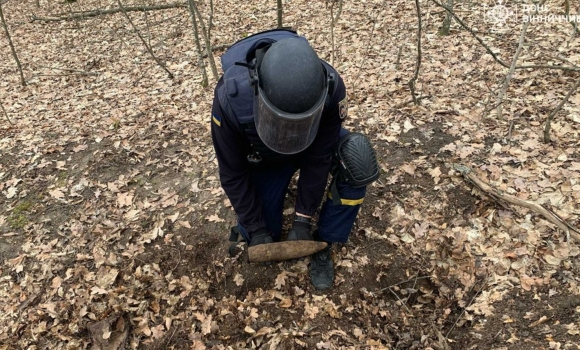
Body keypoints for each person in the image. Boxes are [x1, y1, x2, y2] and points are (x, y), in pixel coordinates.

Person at [210, 29, 379, 290]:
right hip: (264, 155)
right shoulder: (230, 101)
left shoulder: (331, 87)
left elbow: (320, 157)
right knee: (266, 232)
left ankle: (326, 240)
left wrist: (303, 218)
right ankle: (259, 223)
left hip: (311, 144)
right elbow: (232, 172)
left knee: (357, 158)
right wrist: (256, 227)